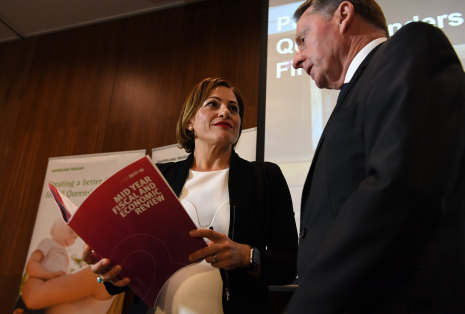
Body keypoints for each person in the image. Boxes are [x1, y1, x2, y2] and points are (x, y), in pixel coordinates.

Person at [287, 0, 465, 313]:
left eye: (303, 39)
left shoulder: (409, 47)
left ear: (343, 14)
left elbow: (396, 187)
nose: (296, 59)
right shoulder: (354, 93)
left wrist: (307, 305)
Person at [83, 77, 298, 313]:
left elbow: (290, 264)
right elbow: (130, 269)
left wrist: (246, 255)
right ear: (189, 122)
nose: (225, 112)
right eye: (213, 104)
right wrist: (108, 274)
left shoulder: (264, 177)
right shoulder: (158, 176)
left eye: (233, 109)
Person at [14, 218, 78, 313]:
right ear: (57, 228)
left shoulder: (65, 256)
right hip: (39, 287)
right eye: (70, 231)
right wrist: (49, 275)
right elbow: (31, 264)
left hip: (49, 295)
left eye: (76, 237)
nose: (72, 237)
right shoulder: (49, 242)